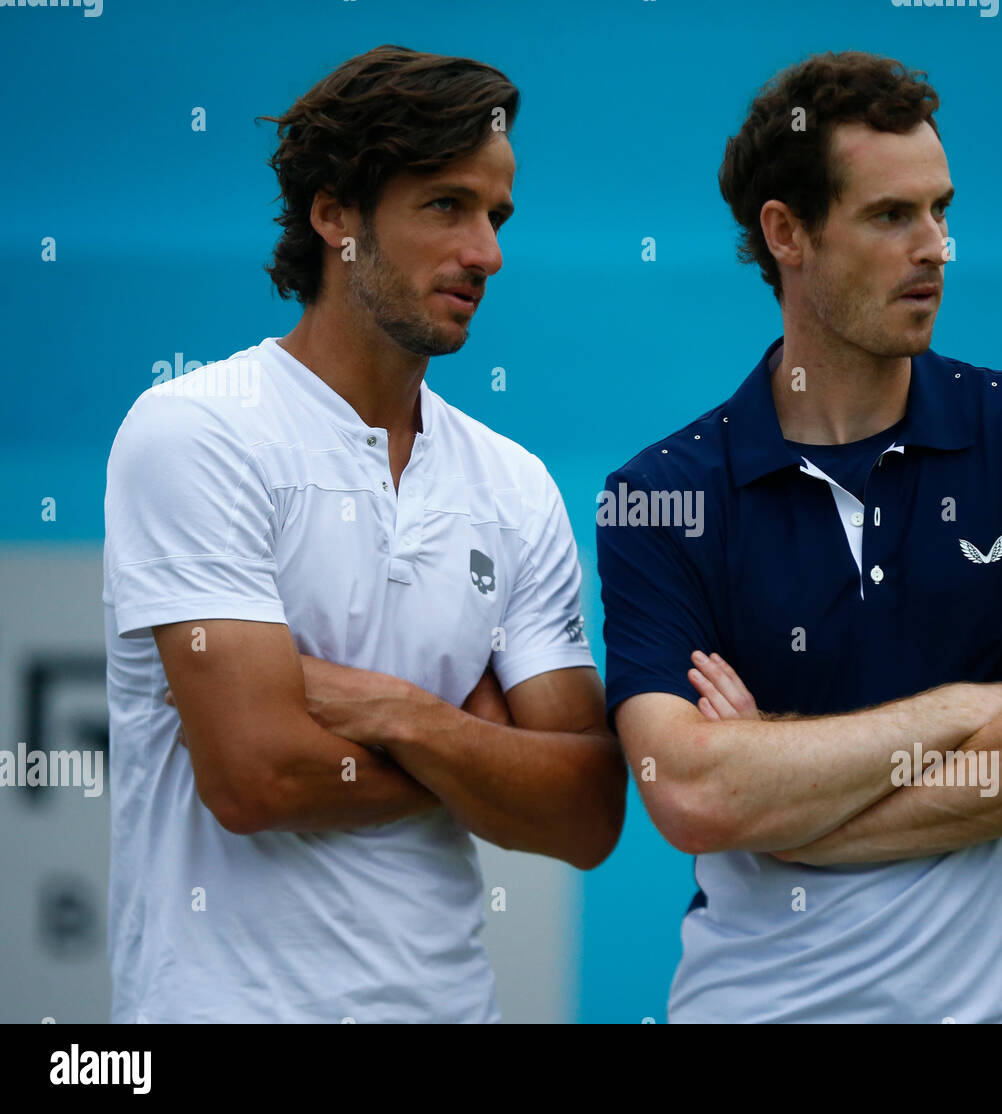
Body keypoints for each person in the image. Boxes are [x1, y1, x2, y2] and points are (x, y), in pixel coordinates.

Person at [596, 50, 1002, 1023]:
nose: (935, 247)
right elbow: (688, 789)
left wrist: (789, 787)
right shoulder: (660, 492)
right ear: (786, 233)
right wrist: (970, 706)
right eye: (892, 216)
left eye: (940, 210)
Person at [102, 45, 624, 1023]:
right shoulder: (195, 430)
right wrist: (480, 750)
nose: (486, 252)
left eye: (495, 216)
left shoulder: (513, 485)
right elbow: (256, 775)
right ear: (334, 214)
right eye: (445, 205)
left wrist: (397, 714)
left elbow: (586, 811)